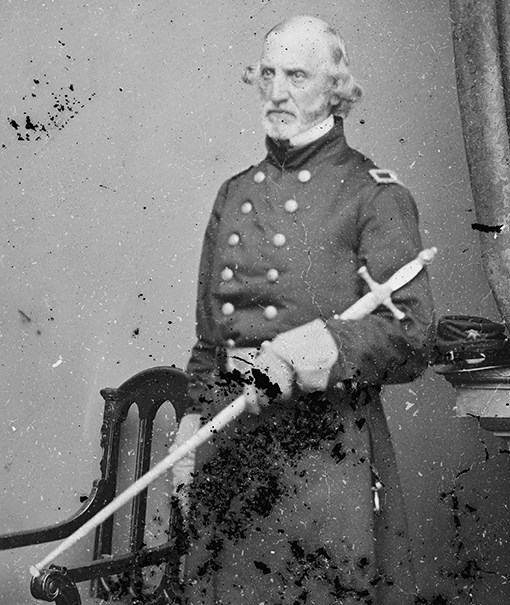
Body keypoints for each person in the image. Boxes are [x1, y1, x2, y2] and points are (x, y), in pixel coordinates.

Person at [171, 15, 435, 605]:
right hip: (232, 448)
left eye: (297, 74)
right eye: (268, 74)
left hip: (324, 463)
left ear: (335, 89)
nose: (278, 91)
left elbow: (414, 332)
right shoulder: (235, 193)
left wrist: (322, 347)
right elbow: (211, 340)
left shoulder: (375, 194)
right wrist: (195, 415)